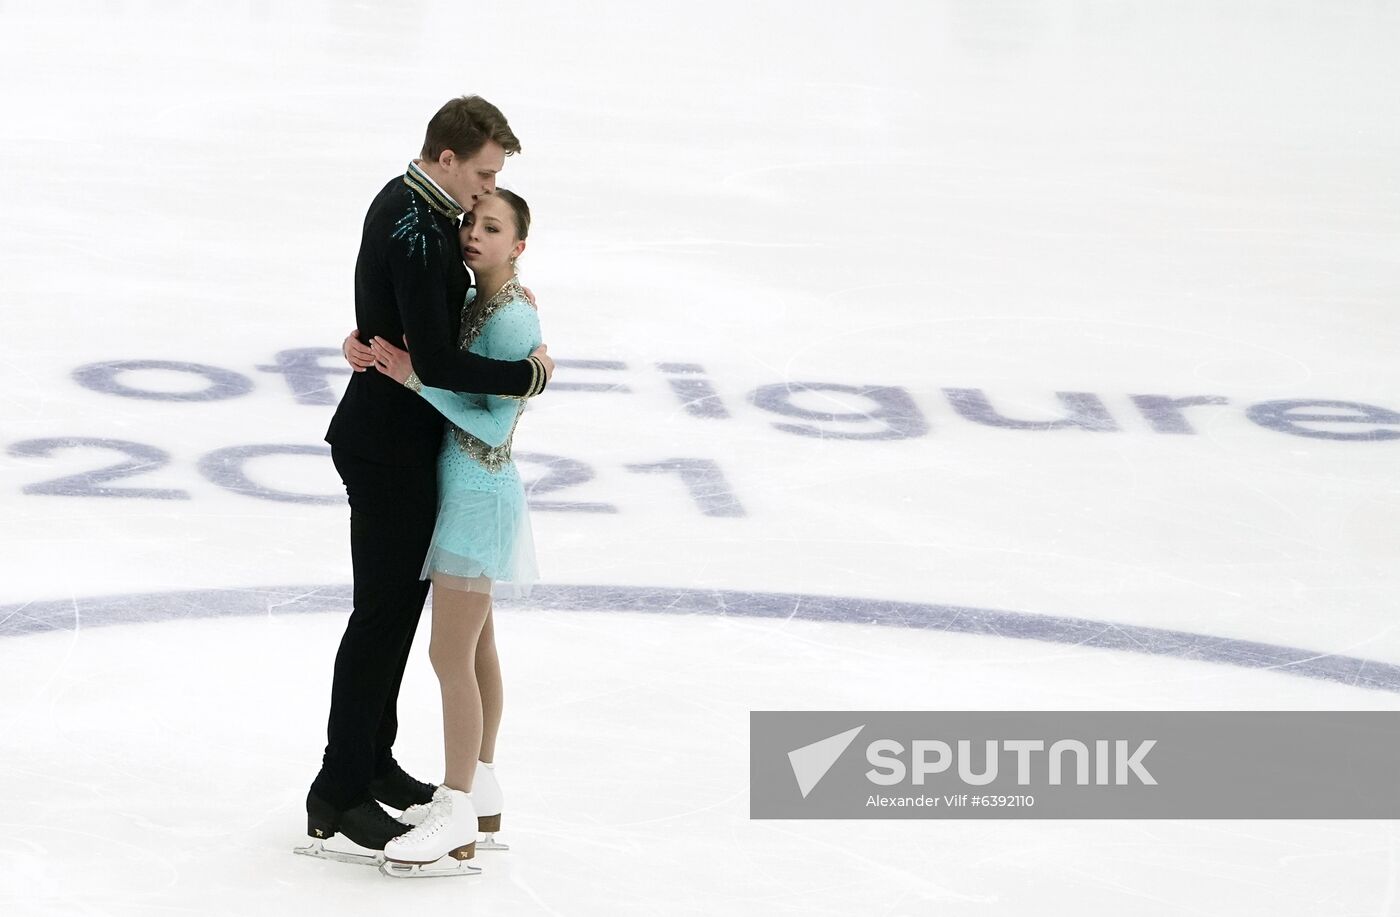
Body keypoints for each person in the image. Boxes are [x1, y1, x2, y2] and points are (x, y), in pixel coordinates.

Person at [305, 96, 553, 861]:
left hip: (409, 447)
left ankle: (372, 759)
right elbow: (438, 361)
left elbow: (407, 315)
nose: (485, 194)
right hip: (388, 450)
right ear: (447, 158)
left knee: (400, 619)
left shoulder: (421, 206)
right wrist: (528, 374)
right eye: (482, 176)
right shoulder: (415, 222)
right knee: (381, 620)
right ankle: (339, 790)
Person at [361, 189, 540, 868]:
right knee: (477, 644)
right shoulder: (479, 303)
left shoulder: (514, 320)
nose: (473, 233)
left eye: (492, 228)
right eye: (470, 221)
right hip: (463, 490)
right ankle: (483, 776)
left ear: (518, 246)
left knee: (448, 655)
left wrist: (414, 382)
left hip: (478, 492)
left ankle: (458, 799)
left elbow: (496, 422)